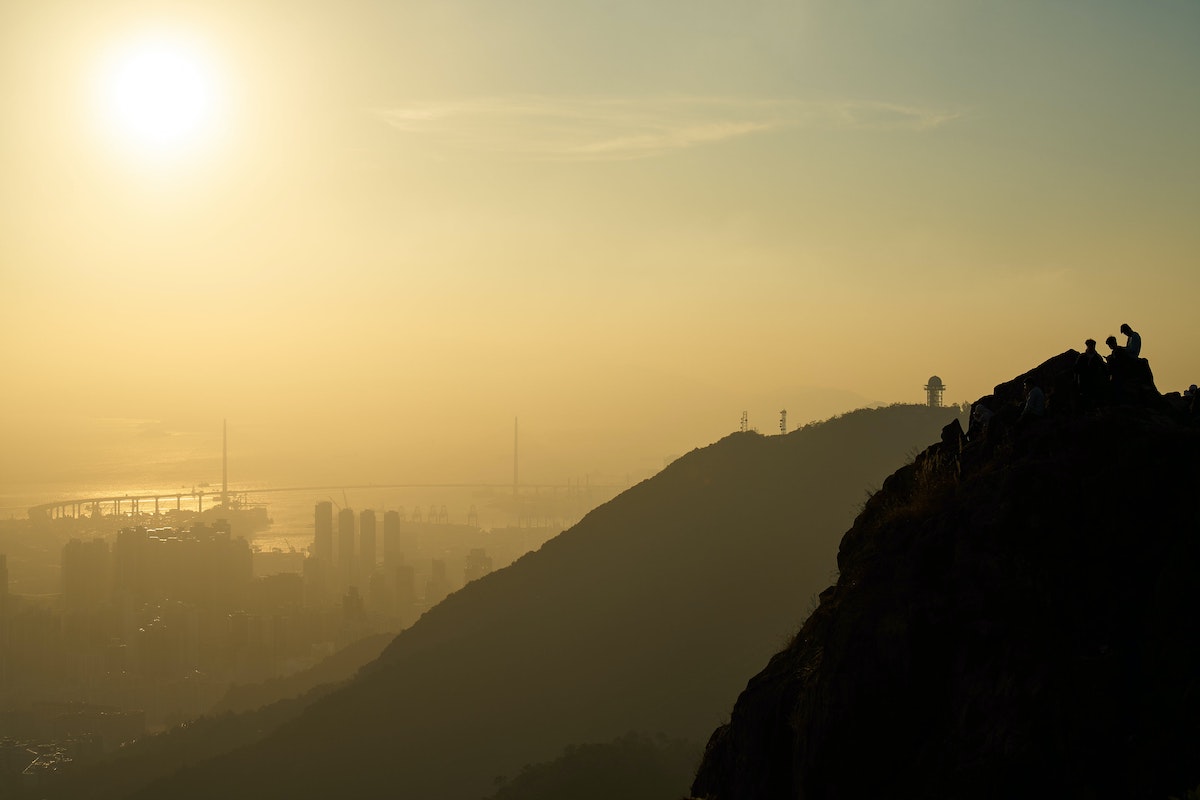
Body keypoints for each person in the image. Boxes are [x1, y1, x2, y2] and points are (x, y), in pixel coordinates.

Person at [1073, 339, 1109, 408]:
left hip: (1094, 382)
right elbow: (1076, 369)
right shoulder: (1082, 357)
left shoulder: (1097, 357)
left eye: (1092, 345)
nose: (1091, 347)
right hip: (1083, 381)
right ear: (1087, 346)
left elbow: (1104, 368)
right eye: (1090, 345)